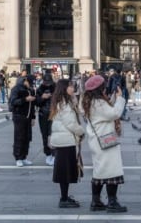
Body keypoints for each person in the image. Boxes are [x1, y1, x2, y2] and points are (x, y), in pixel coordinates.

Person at [82, 74, 127, 213]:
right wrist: (120, 98)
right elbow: (115, 113)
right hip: (105, 139)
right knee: (111, 170)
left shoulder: (90, 101)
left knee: (100, 170)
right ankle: (112, 202)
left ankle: (96, 201)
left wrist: (113, 98)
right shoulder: (98, 103)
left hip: (98, 140)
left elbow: (107, 113)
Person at [49, 78, 85, 208]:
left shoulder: (65, 101)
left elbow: (80, 111)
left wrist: (76, 99)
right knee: (65, 172)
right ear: (64, 88)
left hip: (63, 140)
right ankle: (63, 199)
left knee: (65, 171)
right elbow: (70, 123)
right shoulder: (64, 104)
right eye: (70, 86)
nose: (73, 88)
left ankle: (65, 197)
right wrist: (81, 132)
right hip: (66, 141)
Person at [10, 75, 38, 166]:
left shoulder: (30, 90)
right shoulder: (16, 89)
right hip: (19, 115)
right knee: (19, 137)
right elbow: (13, 101)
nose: (31, 85)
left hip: (28, 116)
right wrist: (25, 99)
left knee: (27, 137)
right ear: (25, 81)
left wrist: (33, 117)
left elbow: (33, 105)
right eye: (30, 83)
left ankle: (24, 156)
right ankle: (18, 157)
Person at [36, 71, 56, 166]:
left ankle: (54, 154)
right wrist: (42, 97)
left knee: (52, 134)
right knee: (44, 135)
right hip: (43, 114)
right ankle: (48, 154)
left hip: (53, 113)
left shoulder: (56, 88)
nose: (47, 85)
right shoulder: (40, 89)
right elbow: (37, 102)